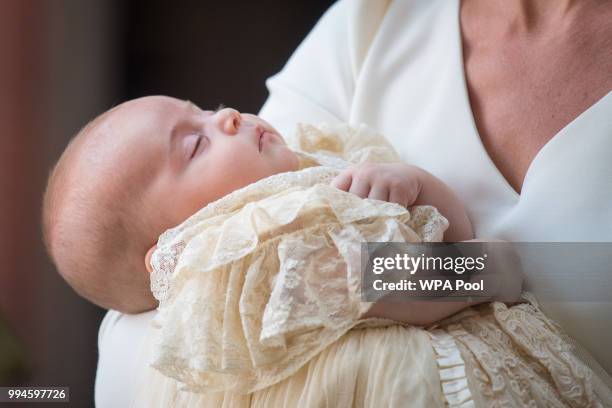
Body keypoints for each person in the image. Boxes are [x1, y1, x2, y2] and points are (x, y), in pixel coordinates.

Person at [95, 0, 612, 406]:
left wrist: (414, 185)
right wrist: (485, 270)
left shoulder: (313, 162)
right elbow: (376, 283)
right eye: (195, 145)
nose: (227, 115)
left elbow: (449, 226)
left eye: (205, 110)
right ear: (171, 252)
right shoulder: (249, 258)